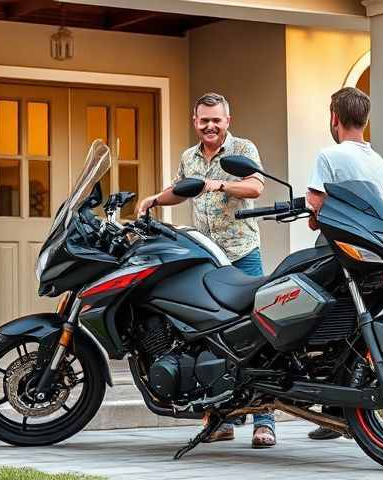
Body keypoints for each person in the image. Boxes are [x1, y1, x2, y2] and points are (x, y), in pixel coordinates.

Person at [137, 92, 276, 448]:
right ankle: (220, 420)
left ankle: (265, 420)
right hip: (206, 258)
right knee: (205, 338)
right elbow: (180, 191)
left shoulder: (243, 150)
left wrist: (220, 184)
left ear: (227, 121)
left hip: (243, 254)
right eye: (204, 120)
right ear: (194, 121)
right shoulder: (189, 157)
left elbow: (256, 187)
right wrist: (154, 198)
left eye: (216, 119)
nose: (210, 125)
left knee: (258, 335)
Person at [304, 86, 383, 440]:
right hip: (372, 255)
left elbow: (315, 206)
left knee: (318, 321)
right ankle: (336, 411)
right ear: (365, 120)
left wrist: (314, 216)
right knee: (352, 329)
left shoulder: (329, 155)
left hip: (335, 251)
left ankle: (323, 401)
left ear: (334, 118)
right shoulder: (379, 163)